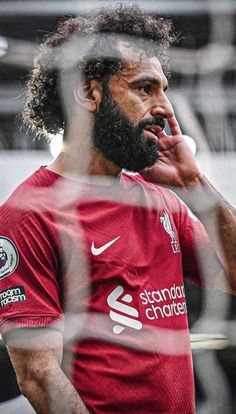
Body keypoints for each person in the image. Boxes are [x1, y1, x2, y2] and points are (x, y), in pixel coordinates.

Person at [0, 4, 235, 414]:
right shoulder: (29, 212)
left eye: (164, 89)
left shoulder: (161, 198)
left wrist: (194, 185)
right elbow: (39, 374)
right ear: (89, 92)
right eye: (145, 88)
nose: (165, 107)